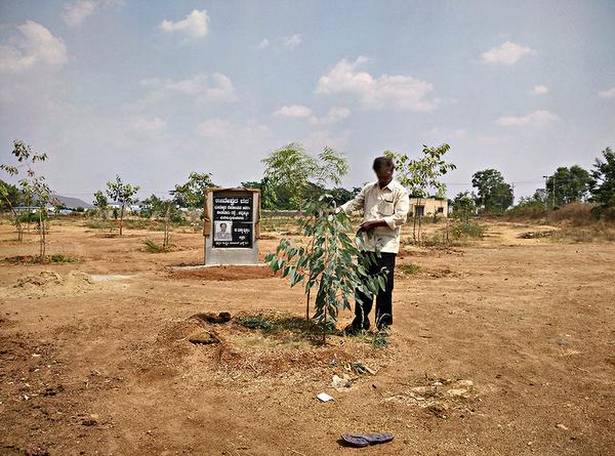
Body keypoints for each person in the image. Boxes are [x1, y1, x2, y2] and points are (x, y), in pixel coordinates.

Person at [339, 156, 410, 332]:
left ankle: (383, 325)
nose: (382, 179)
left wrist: (374, 223)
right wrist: (336, 212)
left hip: (386, 247)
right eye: (379, 175)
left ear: (392, 171)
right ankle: (360, 323)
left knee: (384, 287)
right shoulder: (369, 189)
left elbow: (401, 217)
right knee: (362, 286)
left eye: (385, 175)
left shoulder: (400, 192)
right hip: (366, 246)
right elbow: (354, 204)